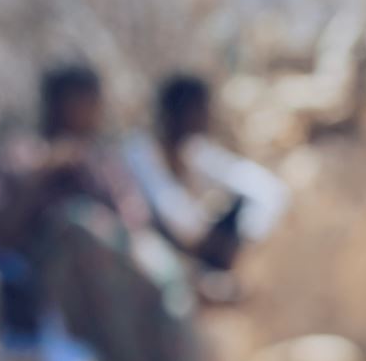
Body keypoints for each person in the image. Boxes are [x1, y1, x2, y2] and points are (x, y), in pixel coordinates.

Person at [0, 64, 230, 361]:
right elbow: (0, 234)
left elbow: (133, 226)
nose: (93, 111)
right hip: (55, 294)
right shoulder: (24, 155)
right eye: (85, 101)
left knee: (166, 295)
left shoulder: (103, 163)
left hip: (124, 300)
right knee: (77, 225)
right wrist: (45, 174)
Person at [123, 72, 288, 300]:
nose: (207, 117)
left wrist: (244, 236)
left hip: (196, 253)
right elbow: (176, 220)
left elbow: (265, 189)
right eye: (201, 109)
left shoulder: (196, 152)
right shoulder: (138, 153)